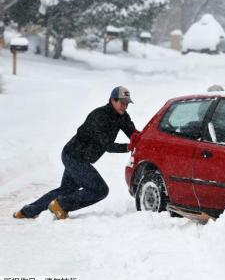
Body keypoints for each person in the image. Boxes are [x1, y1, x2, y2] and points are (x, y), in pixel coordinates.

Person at [13, 86, 140, 220]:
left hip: (80, 158)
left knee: (66, 190)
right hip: (73, 156)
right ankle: (60, 205)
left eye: (127, 104)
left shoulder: (122, 116)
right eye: (122, 103)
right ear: (112, 100)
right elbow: (106, 145)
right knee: (99, 190)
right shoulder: (99, 116)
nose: (124, 107)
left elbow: (133, 133)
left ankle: (26, 212)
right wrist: (128, 147)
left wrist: (141, 139)